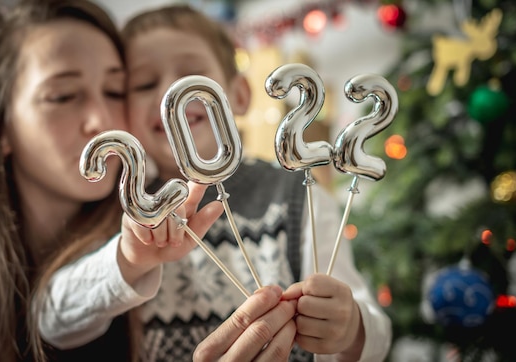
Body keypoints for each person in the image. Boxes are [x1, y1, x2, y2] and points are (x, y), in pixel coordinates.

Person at [35, 4, 392, 361]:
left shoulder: (298, 195)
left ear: (238, 95)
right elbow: (50, 319)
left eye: (192, 75)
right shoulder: (124, 206)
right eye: (144, 84)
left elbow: (376, 335)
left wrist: (350, 329)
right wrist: (128, 260)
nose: (171, 94)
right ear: (125, 111)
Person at [0, 1, 222, 361]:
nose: (101, 120)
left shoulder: (164, 249)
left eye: (115, 91)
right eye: (63, 96)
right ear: (0, 127)